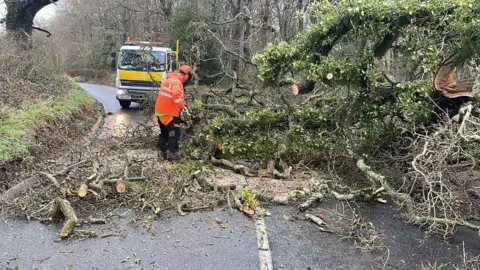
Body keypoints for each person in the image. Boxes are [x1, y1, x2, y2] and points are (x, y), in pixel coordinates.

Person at [154, 65, 193, 162]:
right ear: (186, 76)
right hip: (169, 112)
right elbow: (176, 95)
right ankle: (175, 156)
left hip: (160, 111)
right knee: (174, 134)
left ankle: (162, 153)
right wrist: (183, 107)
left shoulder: (169, 80)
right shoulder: (177, 82)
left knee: (164, 133)